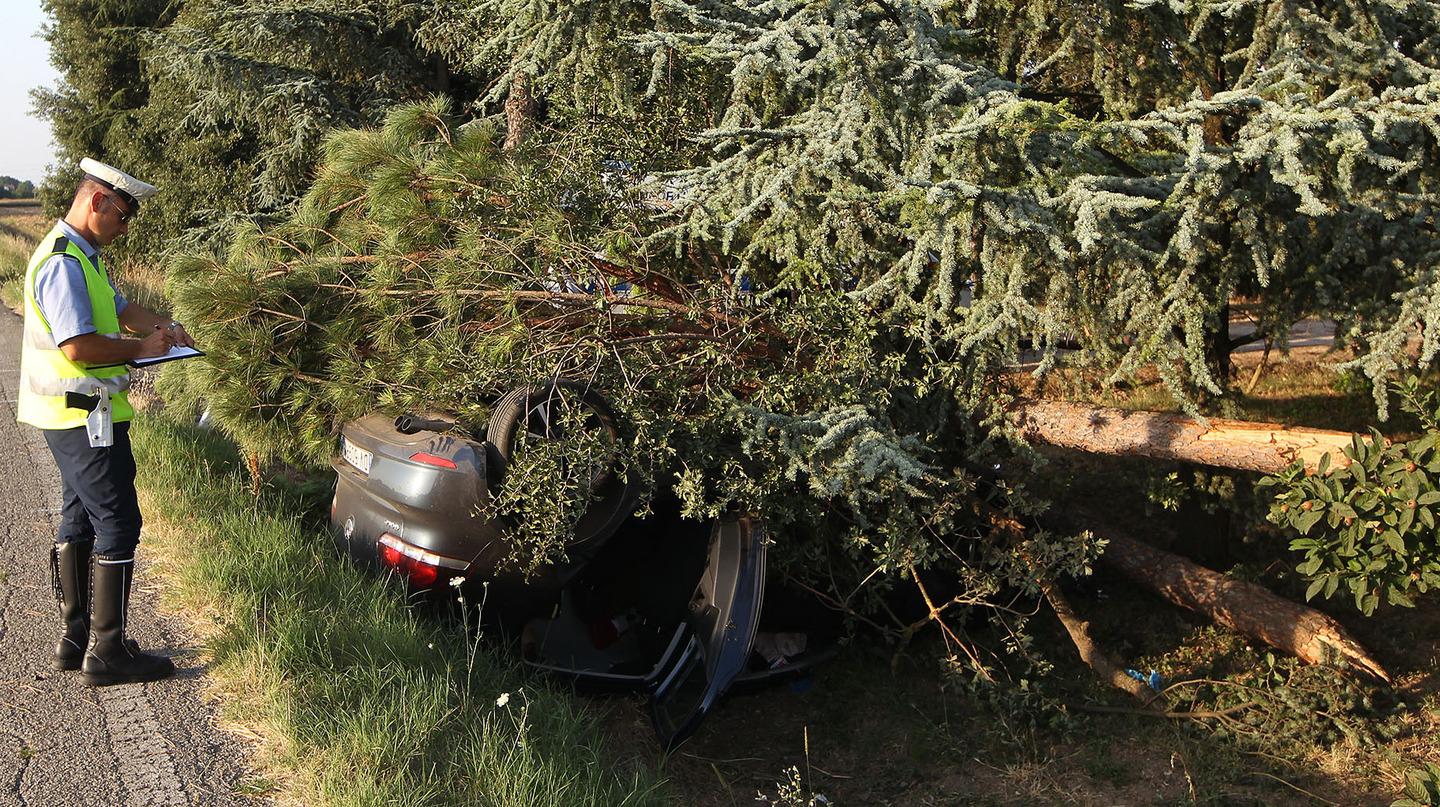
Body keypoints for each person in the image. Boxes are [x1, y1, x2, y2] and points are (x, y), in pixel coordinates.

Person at [16, 158, 195, 686]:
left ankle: (75, 639)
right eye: (122, 215)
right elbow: (80, 345)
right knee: (118, 521)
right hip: (80, 415)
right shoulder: (64, 264)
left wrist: (165, 326)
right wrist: (141, 348)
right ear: (97, 201)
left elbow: (118, 307)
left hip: (71, 413)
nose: (125, 226)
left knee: (79, 518)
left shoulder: (81, 256)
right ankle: (109, 651)